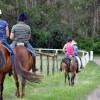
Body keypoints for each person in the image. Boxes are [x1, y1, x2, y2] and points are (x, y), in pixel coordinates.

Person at [0, 9, 14, 75]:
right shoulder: (5, 23)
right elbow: (7, 35)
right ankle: (12, 68)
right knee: (12, 53)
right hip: (3, 41)